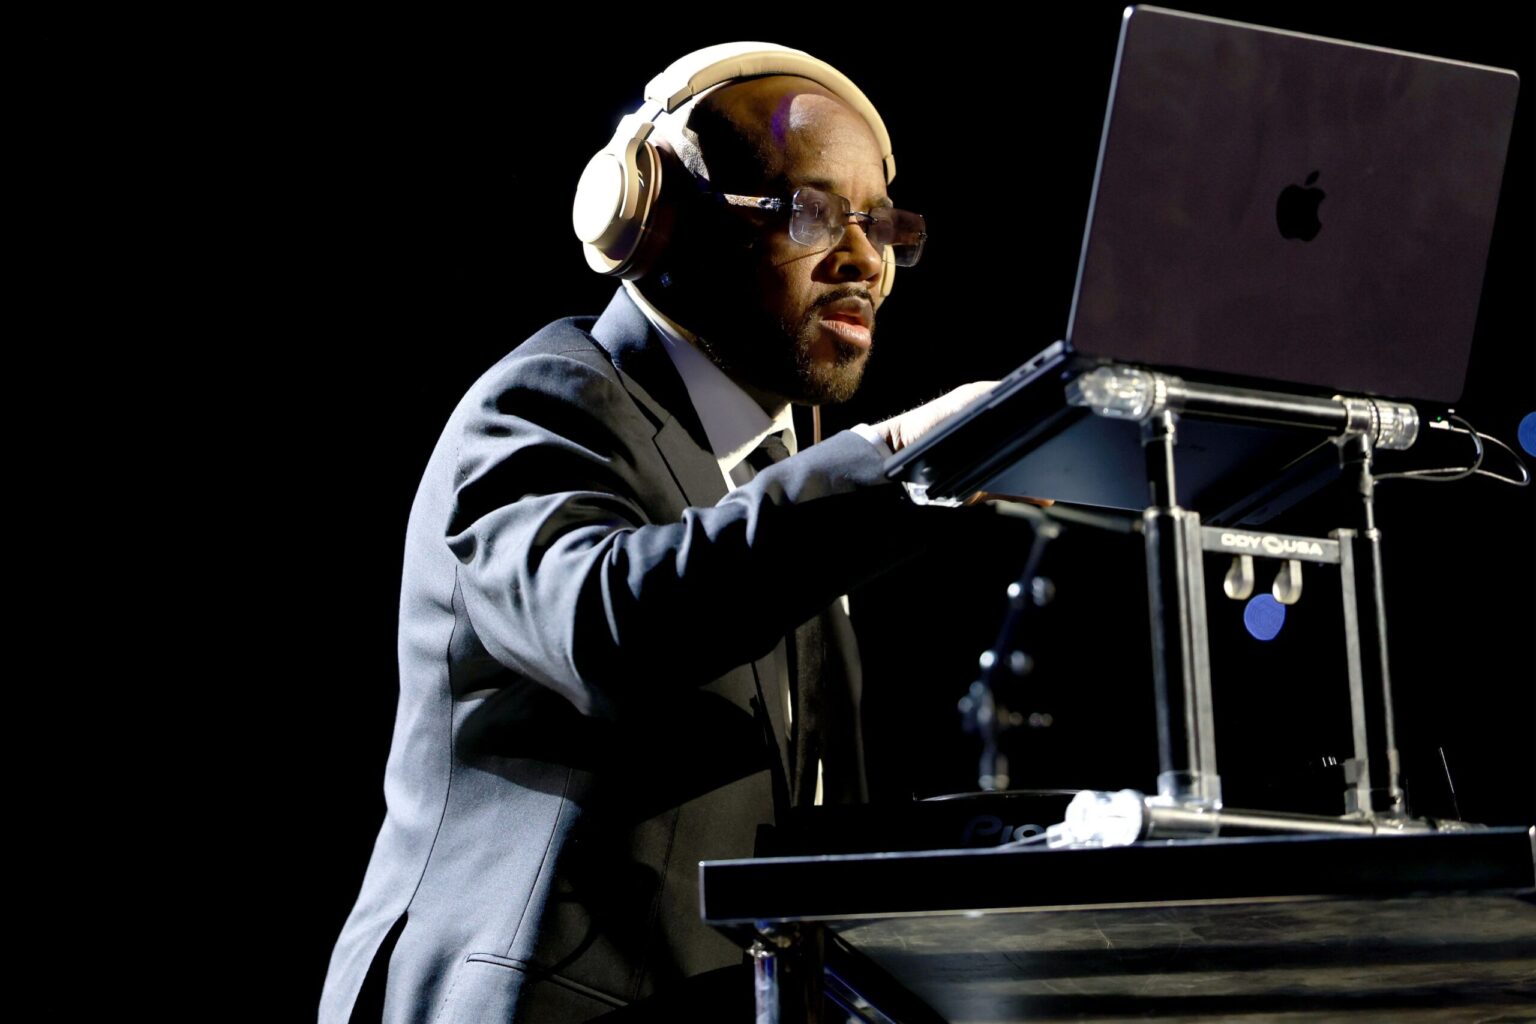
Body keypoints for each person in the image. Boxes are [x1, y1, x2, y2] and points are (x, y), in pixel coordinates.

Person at [320, 42, 994, 1023]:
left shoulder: (777, 477)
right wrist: (893, 455)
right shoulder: (545, 405)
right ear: (654, 219)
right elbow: (607, 621)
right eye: (811, 212)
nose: (864, 260)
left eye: (881, 222)